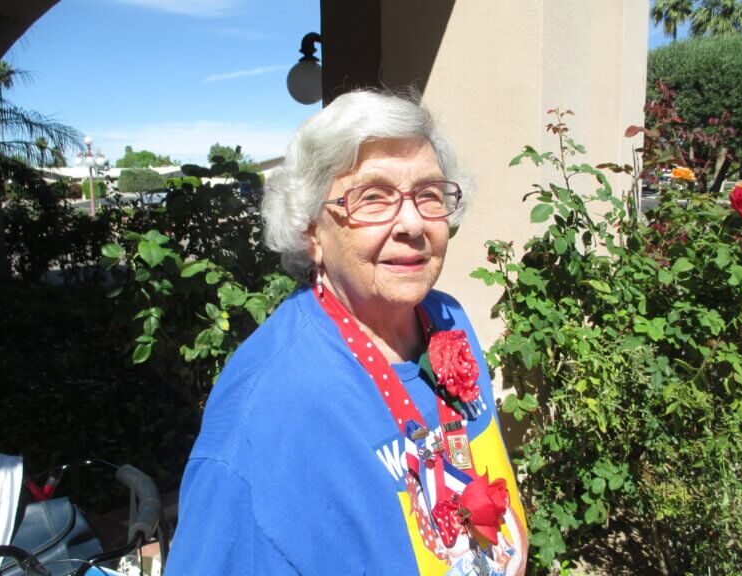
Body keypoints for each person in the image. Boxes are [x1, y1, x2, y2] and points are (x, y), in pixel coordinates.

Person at [165, 90, 528, 575]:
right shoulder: (266, 407)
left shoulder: (448, 319)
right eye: (373, 197)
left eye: (429, 194)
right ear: (311, 230)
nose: (414, 223)